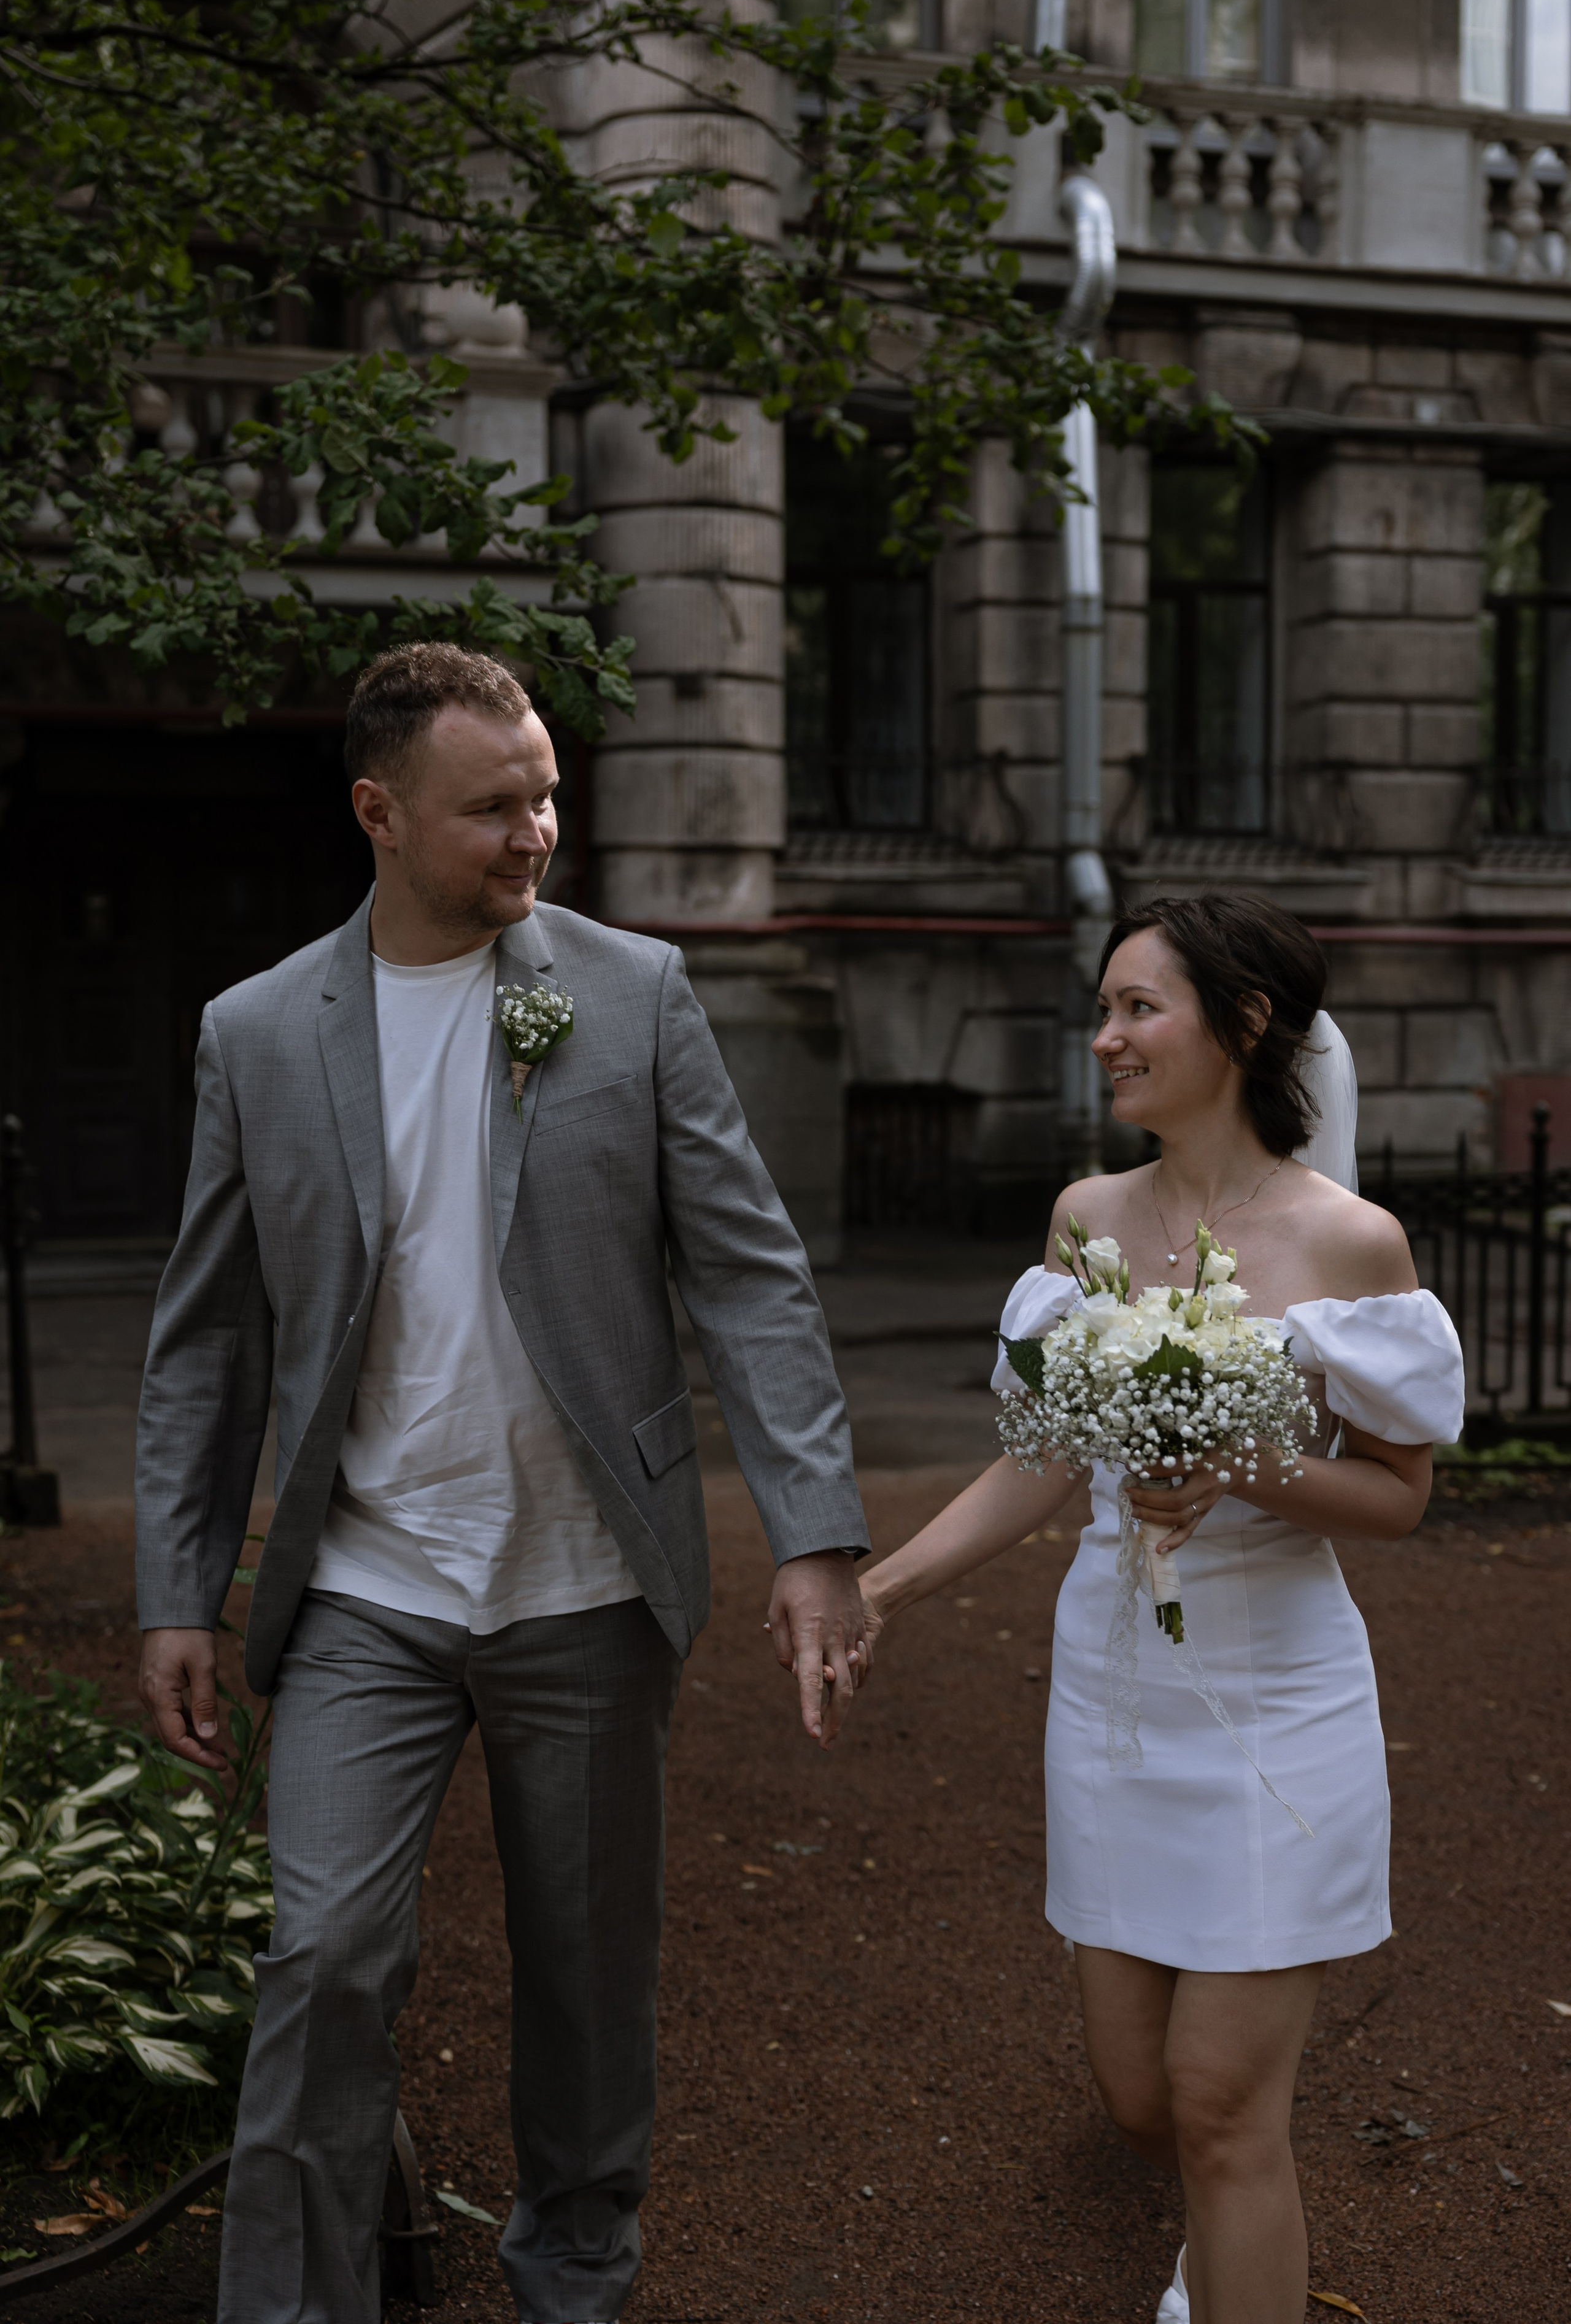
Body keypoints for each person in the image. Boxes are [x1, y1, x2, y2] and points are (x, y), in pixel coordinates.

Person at [134, 643, 870, 2324]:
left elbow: (752, 1274)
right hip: (365, 1592)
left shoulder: (633, 994)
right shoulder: (253, 1034)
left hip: (587, 1587)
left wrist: (817, 1536)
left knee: (591, 1981)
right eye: (497, 806)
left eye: (548, 788)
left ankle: (572, 2282)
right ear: (379, 815)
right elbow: (202, 1343)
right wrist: (178, 1589)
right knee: (323, 1959)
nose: (541, 828)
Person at [852, 893, 1464, 2324]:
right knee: (1139, 2102)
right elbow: (1042, 1460)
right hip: (1115, 1692)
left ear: (1242, 1025)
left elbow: (1397, 1495)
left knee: (1215, 2109)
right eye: (1105, 1009)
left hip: (1279, 1701)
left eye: (1137, 1008)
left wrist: (1254, 1466)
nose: (1104, 1039)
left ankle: (1236, 2264)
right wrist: (879, 1589)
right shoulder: (1086, 1220)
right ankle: (1217, 2237)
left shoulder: (1350, 1244)